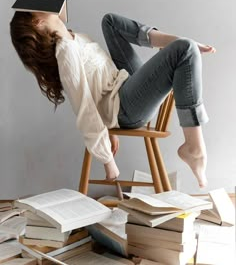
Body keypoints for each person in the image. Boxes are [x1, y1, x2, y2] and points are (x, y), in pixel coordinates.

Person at [10, 11, 216, 188]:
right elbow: (84, 108)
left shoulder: (74, 37)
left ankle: (184, 48)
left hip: (123, 88)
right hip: (125, 108)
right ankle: (193, 147)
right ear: (37, 22)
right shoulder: (65, 52)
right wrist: (108, 160)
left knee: (109, 22)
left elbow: (97, 83)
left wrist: (109, 124)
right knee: (185, 49)